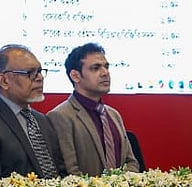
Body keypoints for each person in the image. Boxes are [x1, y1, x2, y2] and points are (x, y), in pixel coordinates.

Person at [0, 44, 66, 178]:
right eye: (30, 73)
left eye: (40, 71)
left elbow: (60, 171)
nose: (40, 78)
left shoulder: (43, 120)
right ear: (4, 80)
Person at [47, 43, 140, 176]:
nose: (105, 73)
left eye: (106, 67)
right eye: (95, 68)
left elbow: (131, 162)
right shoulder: (61, 116)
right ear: (75, 76)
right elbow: (69, 172)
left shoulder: (113, 114)